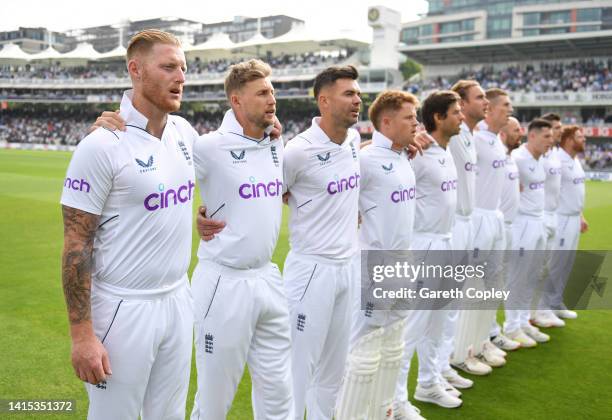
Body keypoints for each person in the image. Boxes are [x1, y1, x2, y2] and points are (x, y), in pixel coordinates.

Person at [60, 29, 197, 419]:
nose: (181, 77)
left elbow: (229, 172)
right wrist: (82, 335)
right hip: (123, 308)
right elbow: (76, 244)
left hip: (177, 299)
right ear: (135, 70)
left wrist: (269, 132)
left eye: (183, 68)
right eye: (169, 67)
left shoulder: (184, 133)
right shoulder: (102, 145)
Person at [335, 90, 424, 420]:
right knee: (362, 348)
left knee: (394, 342)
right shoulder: (365, 158)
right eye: (409, 117)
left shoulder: (404, 156)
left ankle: (384, 409)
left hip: (404, 260)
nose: (416, 123)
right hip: (375, 263)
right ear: (386, 122)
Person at [282, 65, 362, 419]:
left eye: (358, 93)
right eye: (349, 94)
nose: (358, 100)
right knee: (297, 371)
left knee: (334, 368)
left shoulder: (356, 140)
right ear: (324, 101)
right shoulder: (297, 151)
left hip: (349, 267)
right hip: (311, 271)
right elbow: (267, 195)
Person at [394, 90, 463, 410]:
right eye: (455, 111)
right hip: (422, 246)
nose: (461, 116)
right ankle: (395, 400)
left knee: (438, 321)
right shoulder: (417, 152)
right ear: (438, 117)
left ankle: (429, 382)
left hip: (446, 241)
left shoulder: (446, 151)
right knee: (413, 326)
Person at [452, 88, 514, 374]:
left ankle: (482, 340)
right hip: (474, 219)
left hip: (494, 219)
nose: (509, 109)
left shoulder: (494, 141)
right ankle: (462, 349)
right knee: (471, 289)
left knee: (492, 285)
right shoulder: (470, 137)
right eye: (506, 105)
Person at [503, 119, 555, 346]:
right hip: (522, 224)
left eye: (552, 137)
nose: (550, 141)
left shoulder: (539, 159)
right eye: (546, 137)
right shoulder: (518, 159)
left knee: (532, 275)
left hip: (538, 222)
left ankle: (524, 322)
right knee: (518, 277)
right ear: (532, 136)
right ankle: (511, 326)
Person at [539, 125, 587, 320]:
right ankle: (544, 306)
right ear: (568, 140)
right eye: (579, 136)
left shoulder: (575, 160)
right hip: (562, 218)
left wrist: (581, 216)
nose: (583, 139)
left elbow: (574, 191)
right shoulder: (557, 159)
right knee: (556, 264)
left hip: (574, 219)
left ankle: (556, 301)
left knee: (567, 263)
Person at [488, 117, 523, 350]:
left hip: (509, 225)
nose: (520, 133)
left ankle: (494, 331)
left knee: (501, 282)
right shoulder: (495, 153)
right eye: (516, 129)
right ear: (502, 133)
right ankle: (490, 333)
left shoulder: (509, 158)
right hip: (494, 226)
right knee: (488, 285)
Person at [532, 113, 565, 328]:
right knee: (535, 269)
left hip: (554, 215)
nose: (558, 132)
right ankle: (532, 313)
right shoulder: (539, 155)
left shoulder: (554, 154)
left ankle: (543, 309)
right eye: (554, 129)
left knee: (547, 268)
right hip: (540, 215)